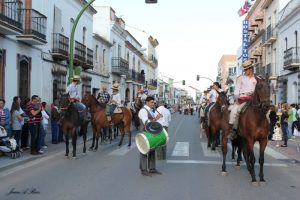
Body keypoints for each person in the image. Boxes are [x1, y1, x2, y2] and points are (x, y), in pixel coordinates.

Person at [229, 60, 257, 139]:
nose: (245, 71)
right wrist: (237, 100)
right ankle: (232, 130)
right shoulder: (241, 78)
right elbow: (237, 90)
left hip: (253, 100)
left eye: (246, 69)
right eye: (244, 69)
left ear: (251, 69)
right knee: (233, 111)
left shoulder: (256, 79)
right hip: (242, 99)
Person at [138, 96, 162, 176]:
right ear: (147, 102)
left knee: (152, 150)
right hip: (144, 133)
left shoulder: (151, 111)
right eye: (152, 102)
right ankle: (143, 170)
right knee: (144, 151)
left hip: (150, 133)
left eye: (154, 102)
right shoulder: (143, 111)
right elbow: (146, 122)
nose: (153, 104)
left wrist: (156, 119)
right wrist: (156, 119)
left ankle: (152, 168)